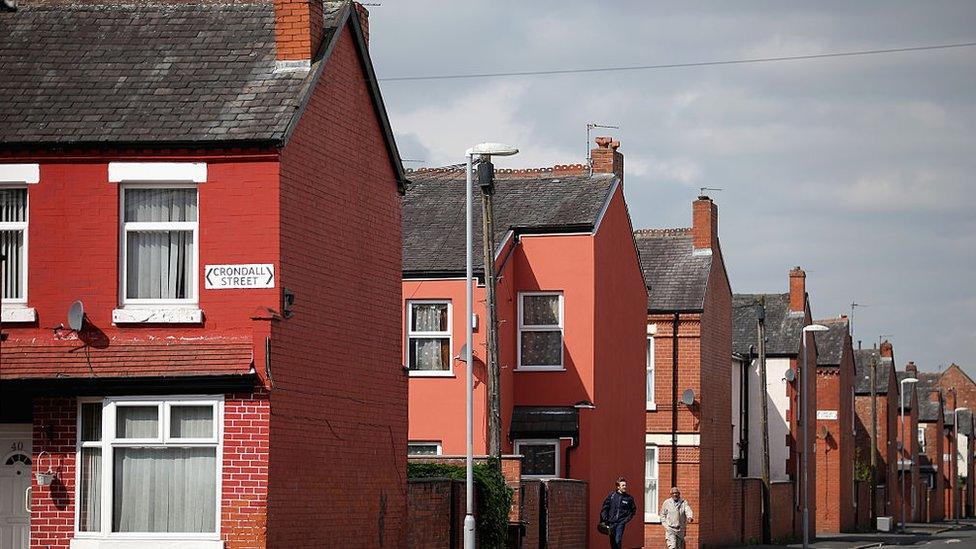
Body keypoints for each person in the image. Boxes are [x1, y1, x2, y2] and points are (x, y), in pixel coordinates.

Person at [600, 477, 635, 549]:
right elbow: (605, 507)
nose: (625, 487)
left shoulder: (629, 498)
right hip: (611, 522)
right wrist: (605, 519)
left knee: (618, 540)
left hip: (620, 523)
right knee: (612, 542)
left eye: (625, 485)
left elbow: (633, 511)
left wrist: (624, 521)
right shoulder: (612, 496)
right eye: (623, 485)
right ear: (618, 487)